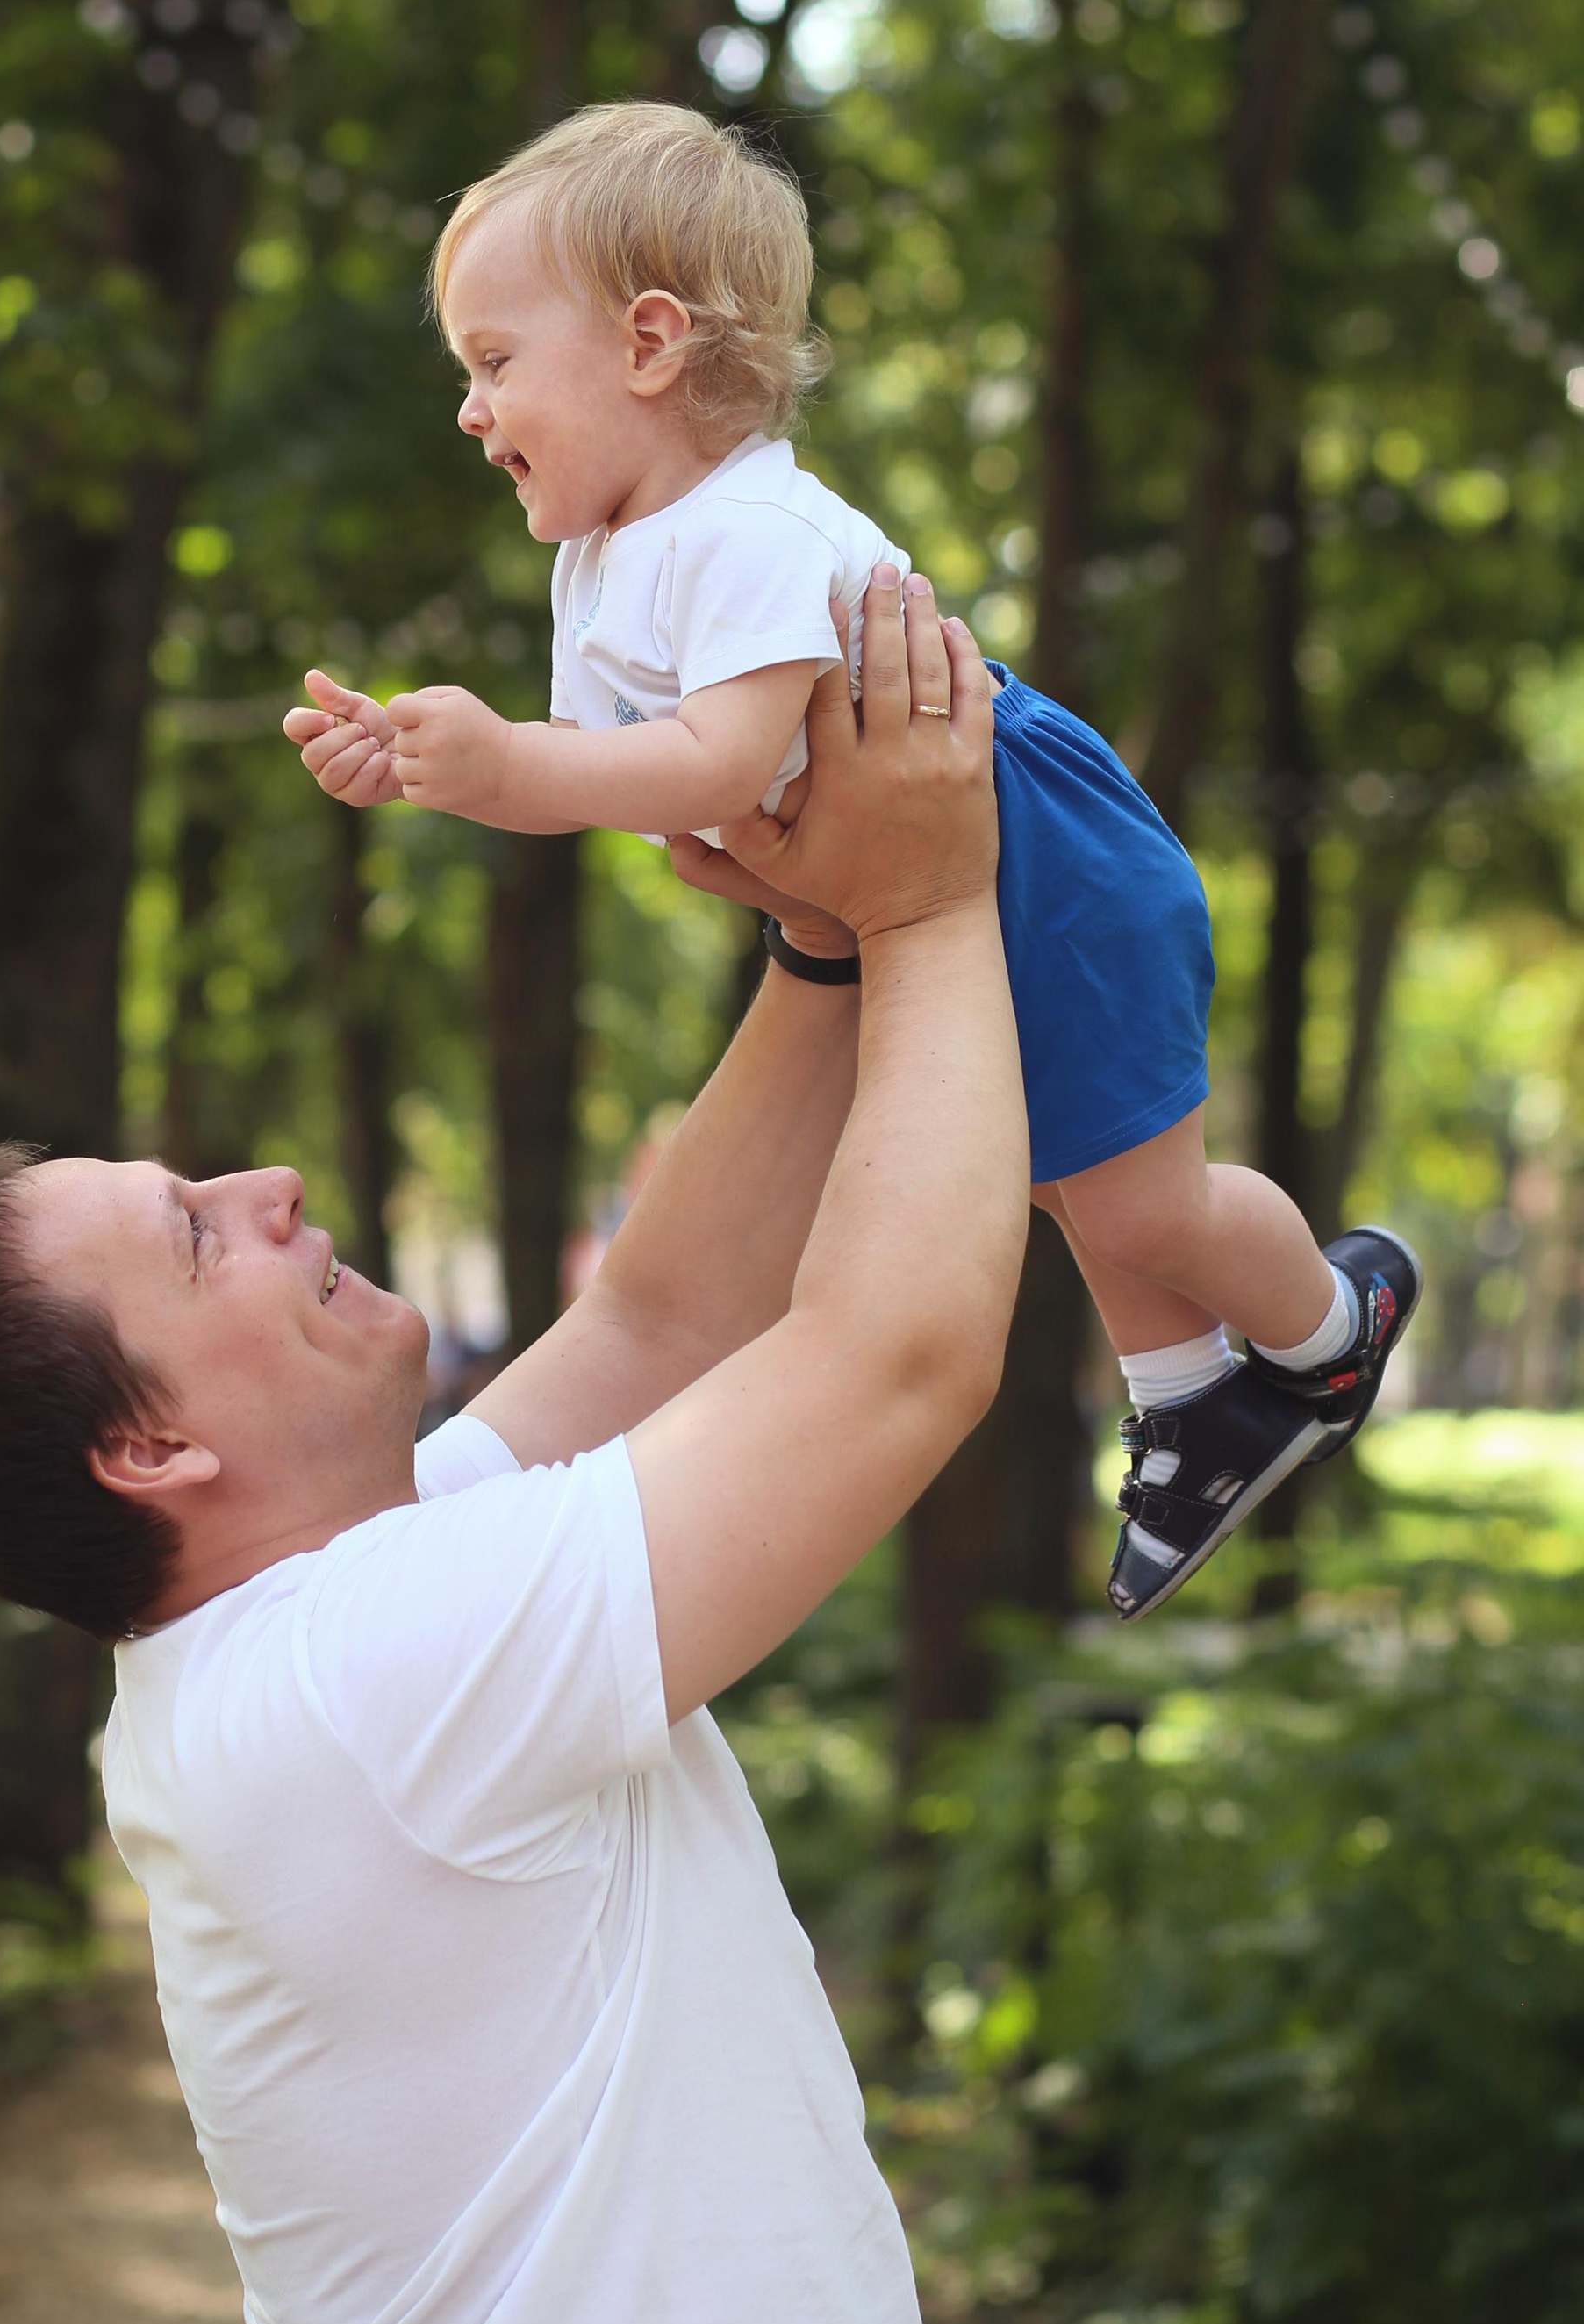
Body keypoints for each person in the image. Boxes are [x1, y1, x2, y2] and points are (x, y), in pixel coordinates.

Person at [0, 577, 1020, 2324]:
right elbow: (893, 1359)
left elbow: (657, 1314)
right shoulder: (364, 1680)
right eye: (195, 1240)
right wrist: (928, 908)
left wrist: (820, 950)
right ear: (150, 1451)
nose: (267, 1187)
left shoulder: (344, 1603)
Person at [283, 100, 1418, 1617]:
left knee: (1136, 1198)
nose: (475, 412)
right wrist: (442, 771)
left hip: (1036, 849)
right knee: (1062, 1177)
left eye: (495, 364)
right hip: (916, 871)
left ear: (651, 343)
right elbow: (626, 778)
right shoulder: (601, 560)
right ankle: (1196, 1400)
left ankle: (1331, 1329)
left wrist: (500, 768)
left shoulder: (744, 527)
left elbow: (715, 763)